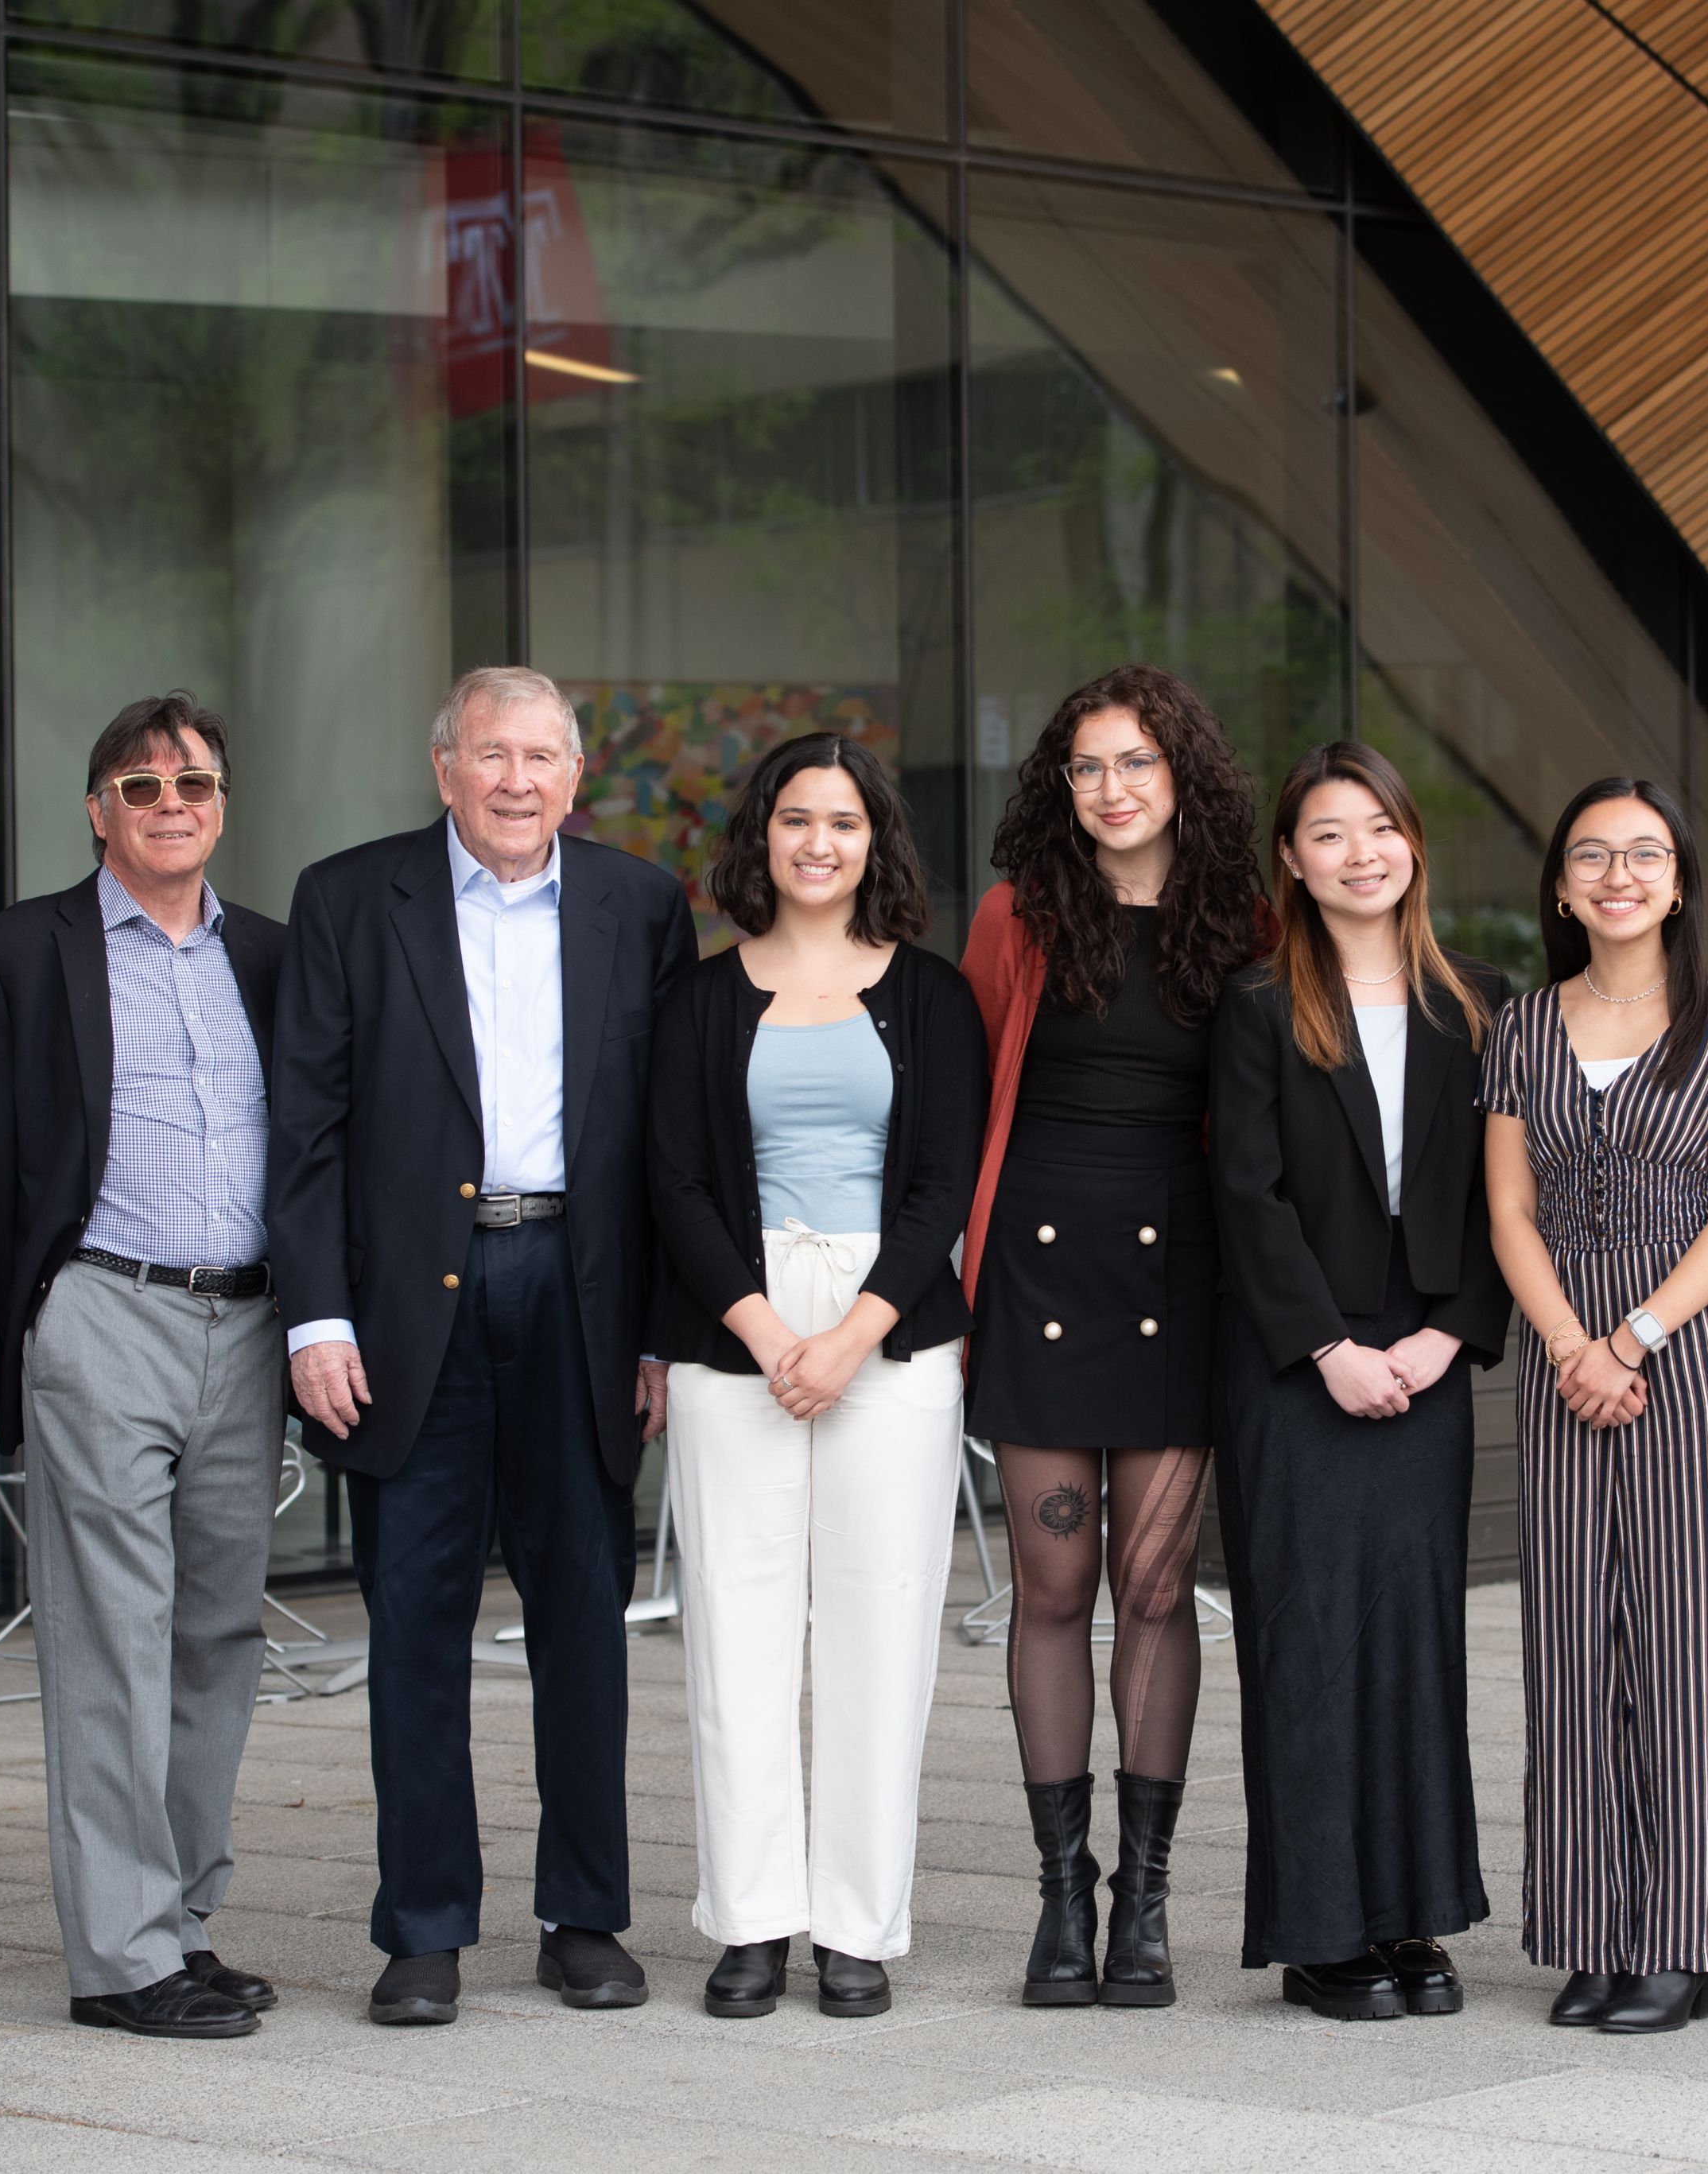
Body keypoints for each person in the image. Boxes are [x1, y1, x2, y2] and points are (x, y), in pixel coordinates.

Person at [270, 664, 696, 2026]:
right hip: (407, 1312)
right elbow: (307, 1125)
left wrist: (660, 1329)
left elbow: (673, 1141)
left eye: (544, 756)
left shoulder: (641, 905)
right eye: (493, 752)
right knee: (415, 1617)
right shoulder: (350, 897)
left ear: (578, 776)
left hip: (582, 1295)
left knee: (585, 1621)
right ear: (443, 763)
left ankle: (584, 1915)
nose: (518, 779)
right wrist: (318, 1312)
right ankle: (425, 1927)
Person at [0, 692, 289, 2040]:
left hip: (249, 1322)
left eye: (192, 784)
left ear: (222, 805)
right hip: (102, 1308)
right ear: (98, 809)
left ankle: (181, 1921)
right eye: (140, 787)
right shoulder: (14, 952)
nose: (169, 806)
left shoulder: (270, 954)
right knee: (109, 1641)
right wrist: (37, 1313)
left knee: (217, 1633)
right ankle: (120, 1955)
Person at [645, 735, 987, 2022]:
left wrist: (848, 1334)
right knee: (734, 1627)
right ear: (763, 835)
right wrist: (760, 1326)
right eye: (797, 819)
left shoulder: (935, 996)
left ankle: (854, 1924)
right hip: (733, 1319)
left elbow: (944, 1181)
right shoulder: (700, 998)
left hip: (888, 1336)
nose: (819, 843)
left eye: (844, 821)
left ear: (875, 841)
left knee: (880, 1625)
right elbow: (672, 1177)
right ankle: (752, 1922)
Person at [961, 662, 1268, 2008]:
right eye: (1088, 767)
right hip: (1034, 1271)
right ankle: (1059, 1900)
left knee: (1154, 1590)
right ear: (1061, 787)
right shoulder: (1017, 914)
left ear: (1181, 774)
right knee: (1050, 1589)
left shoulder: (1245, 922)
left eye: (1136, 762)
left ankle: (1143, 1900)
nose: (1112, 788)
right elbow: (967, 1088)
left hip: (1180, 1274)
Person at [1478, 776, 1708, 2036]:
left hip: (1690, 1360)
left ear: (1677, 880)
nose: (1618, 873)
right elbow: (1507, 1210)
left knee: (1694, 1645)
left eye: (1644, 853)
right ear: (1561, 886)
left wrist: (1635, 1334)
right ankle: (1592, 1927)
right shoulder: (1520, 1030)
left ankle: (1688, 1931)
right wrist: (1568, 1342)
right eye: (1592, 855)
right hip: (1562, 1371)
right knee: (1568, 1645)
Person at [1210, 742, 1506, 2023]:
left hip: (1429, 1351)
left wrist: (1451, 1335)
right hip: (1300, 1361)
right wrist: (1328, 1347)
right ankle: (1322, 1931)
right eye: (1328, 833)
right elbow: (1245, 1193)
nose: (1360, 852)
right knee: (1309, 1644)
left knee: (1414, 1640)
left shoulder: (1481, 1002)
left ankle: (1411, 1915)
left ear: (1413, 843)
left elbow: (1515, 1196)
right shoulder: (1259, 1003)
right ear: (1291, 859)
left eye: (1380, 827)